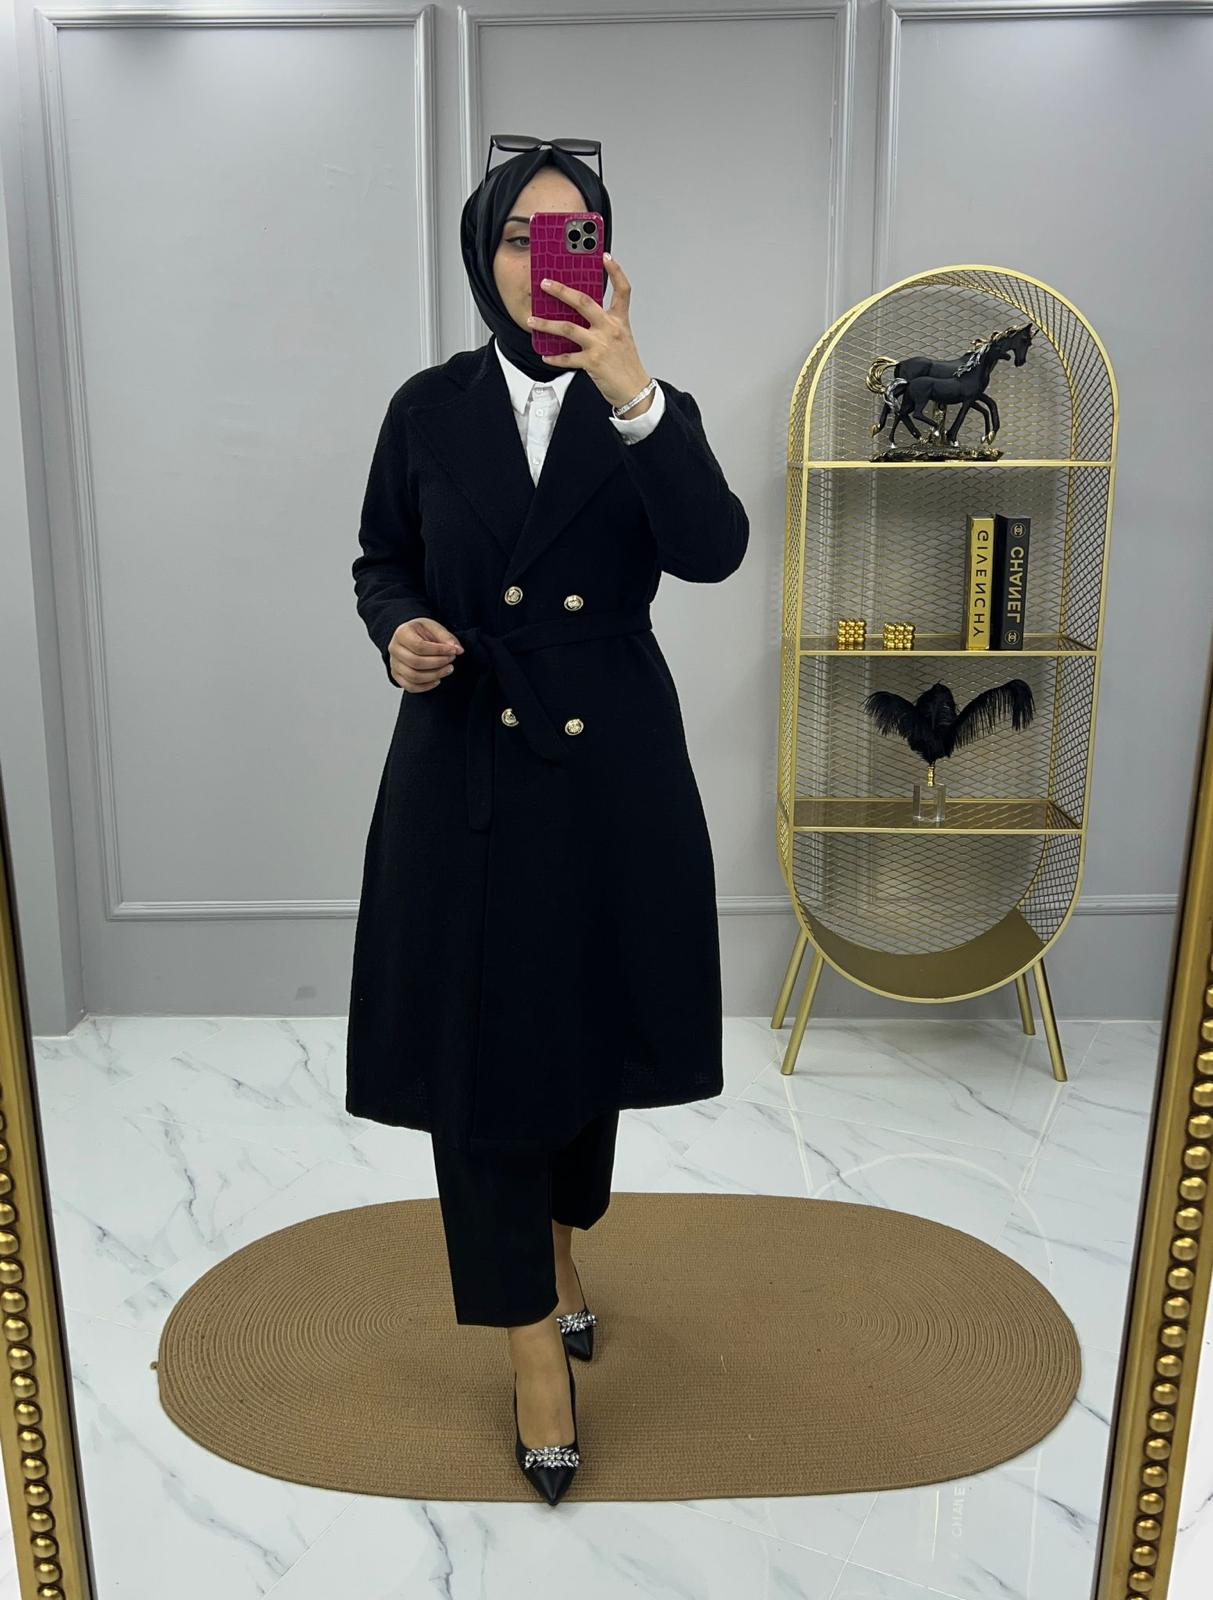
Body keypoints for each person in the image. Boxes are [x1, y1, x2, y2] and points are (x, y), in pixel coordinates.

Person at [345, 138, 749, 1504]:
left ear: (606, 256)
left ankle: (566, 1243)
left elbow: (711, 550)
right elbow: (382, 557)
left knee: (583, 1034)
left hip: (609, 771)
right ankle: (530, 1348)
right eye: (520, 234)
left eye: (573, 234)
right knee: (477, 1060)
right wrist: (399, 628)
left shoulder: (647, 405)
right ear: (483, 252)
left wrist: (630, 388)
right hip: (464, 756)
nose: (543, 260)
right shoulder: (426, 407)